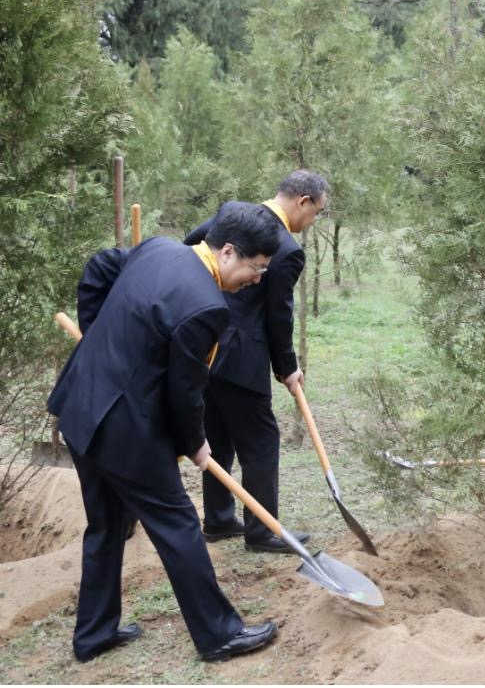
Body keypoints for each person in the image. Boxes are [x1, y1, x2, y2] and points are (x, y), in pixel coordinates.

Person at [47, 202, 282, 663]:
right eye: (256, 268)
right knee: (177, 523)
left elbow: (100, 266)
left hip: (80, 405)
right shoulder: (207, 307)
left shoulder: (157, 248)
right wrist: (195, 443)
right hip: (122, 429)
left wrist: (97, 341)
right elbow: (185, 392)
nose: (257, 279)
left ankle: (94, 634)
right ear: (228, 251)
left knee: (106, 523)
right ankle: (219, 635)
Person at [184, 169, 329, 553]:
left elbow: (192, 243)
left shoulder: (235, 212)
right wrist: (287, 368)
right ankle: (262, 531)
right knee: (261, 440)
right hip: (241, 356)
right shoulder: (286, 249)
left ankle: (218, 520)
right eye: (315, 212)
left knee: (218, 434)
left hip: (204, 344)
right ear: (302, 201)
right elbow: (279, 316)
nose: (312, 222)